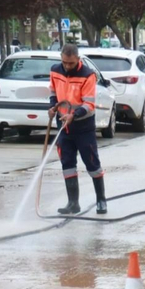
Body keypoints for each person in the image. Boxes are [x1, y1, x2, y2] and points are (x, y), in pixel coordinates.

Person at [47, 42, 106, 215]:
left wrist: (74, 115)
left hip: (83, 127)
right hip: (63, 127)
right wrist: (53, 108)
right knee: (67, 164)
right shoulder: (55, 71)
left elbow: (89, 104)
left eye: (71, 63)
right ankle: (73, 203)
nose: (67, 66)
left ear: (78, 60)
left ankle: (101, 200)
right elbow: (53, 93)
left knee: (92, 164)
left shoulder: (88, 75)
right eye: (64, 62)